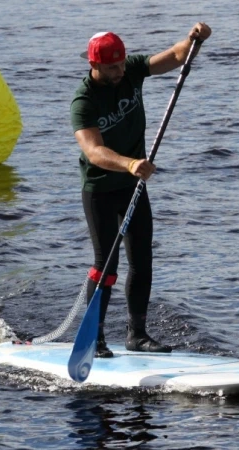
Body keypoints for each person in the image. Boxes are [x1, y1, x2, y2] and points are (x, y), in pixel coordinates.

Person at [71, 23, 212, 358]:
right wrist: (130, 164)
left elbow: (177, 56)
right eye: (111, 68)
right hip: (101, 188)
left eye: (121, 64)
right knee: (106, 265)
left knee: (142, 259)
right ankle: (96, 337)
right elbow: (94, 151)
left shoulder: (131, 70)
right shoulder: (84, 101)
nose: (120, 71)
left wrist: (195, 40)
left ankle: (137, 335)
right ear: (94, 65)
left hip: (132, 185)